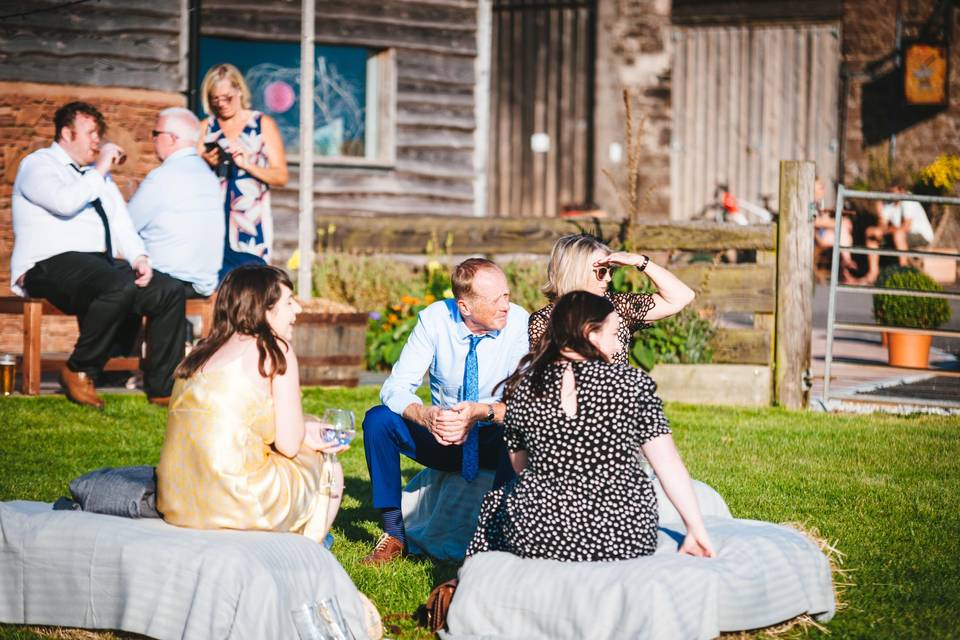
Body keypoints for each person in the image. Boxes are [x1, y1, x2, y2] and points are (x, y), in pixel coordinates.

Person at [467, 290, 715, 562]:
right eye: (613, 334)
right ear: (591, 334)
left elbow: (520, 466)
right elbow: (667, 463)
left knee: (497, 501)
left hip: (539, 533)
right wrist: (696, 528)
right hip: (619, 532)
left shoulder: (526, 389)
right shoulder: (630, 383)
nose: (619, 344)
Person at [10, 101, 186, 408]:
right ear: (67, 133)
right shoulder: (38, 165)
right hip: (47, 263)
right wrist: (102, 167)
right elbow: (65, 202)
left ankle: (162, 387)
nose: (97, 140)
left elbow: (122, 223)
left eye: (98, 134)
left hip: (96, 265)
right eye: (91, 133)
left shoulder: (96, 176)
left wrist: (139, 258)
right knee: (116, 285)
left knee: (168, 290)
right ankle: (79, 369)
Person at [156, 265, 346, 544]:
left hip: (177, 501)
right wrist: (311, 436)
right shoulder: (274, 349)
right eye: (288, 302)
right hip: (240, 504)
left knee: (308, 427)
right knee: (329, 467)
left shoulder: (200, 352)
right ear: (265, 309)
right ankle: (313, 544)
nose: (298, 310)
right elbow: (289, 445)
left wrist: (307, 426)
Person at [361, 258, 530, 564]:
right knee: (378, 420)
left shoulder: (519, 322)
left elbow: (525, 402)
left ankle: (500, 537)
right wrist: (425, 415)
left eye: (506, 295)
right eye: (496, 300)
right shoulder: (435, 319)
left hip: (492, 434)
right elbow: (394, 388)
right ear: (465, 307)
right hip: (443, 435)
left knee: (519, 426)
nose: (506, 305)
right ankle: (394, 533)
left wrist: (480, 412)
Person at [529, 234, 695, 362]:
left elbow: (681, 297)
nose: (608, 278)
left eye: (610, 271)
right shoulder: (544, 322)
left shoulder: (615, 307)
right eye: (602, 271)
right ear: (576, 273)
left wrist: (640, 261)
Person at [198, 64, 289, 281]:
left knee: (253, 282)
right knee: (214, 282)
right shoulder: (206, 127)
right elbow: (189, 174)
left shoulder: (261, 124)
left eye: (226, 97)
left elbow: (281, 176)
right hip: (212, 218)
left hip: (250, 220)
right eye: (215, 99)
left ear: (239, 90)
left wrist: (248, 165)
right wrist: (205, 162)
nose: (221, 104)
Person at [128, 107, 224, 299]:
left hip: (167, 282)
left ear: (171, 138)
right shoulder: (210, 178)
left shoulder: (163, 176)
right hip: (203, 284)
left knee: (107, 284)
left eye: (156, 133)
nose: (153, 139)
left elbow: (125, 227)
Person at [861, 183, 935, 284]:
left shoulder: (908, 200)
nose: (891, 195)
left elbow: (905, 227)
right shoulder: (889, 203)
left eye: (893, 192)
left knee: (898, 234)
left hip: (921, 235)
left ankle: (903, 272)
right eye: (889, 192)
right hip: (899, 235)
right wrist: (880, 215)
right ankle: (873, 273)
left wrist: (885, 230)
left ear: (901, 190)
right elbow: (882, 225)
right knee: (871, 233)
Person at [812, 177, 857, 282]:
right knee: (843, 230)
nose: (823, 190)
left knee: (844, 233)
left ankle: (846, 267)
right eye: (820, 187)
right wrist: (837, 223)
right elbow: (813, 222)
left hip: (821, 234)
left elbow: (822, 220)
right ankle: (846, 264)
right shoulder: (811, 203)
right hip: (816, 237)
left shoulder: (818, 203)